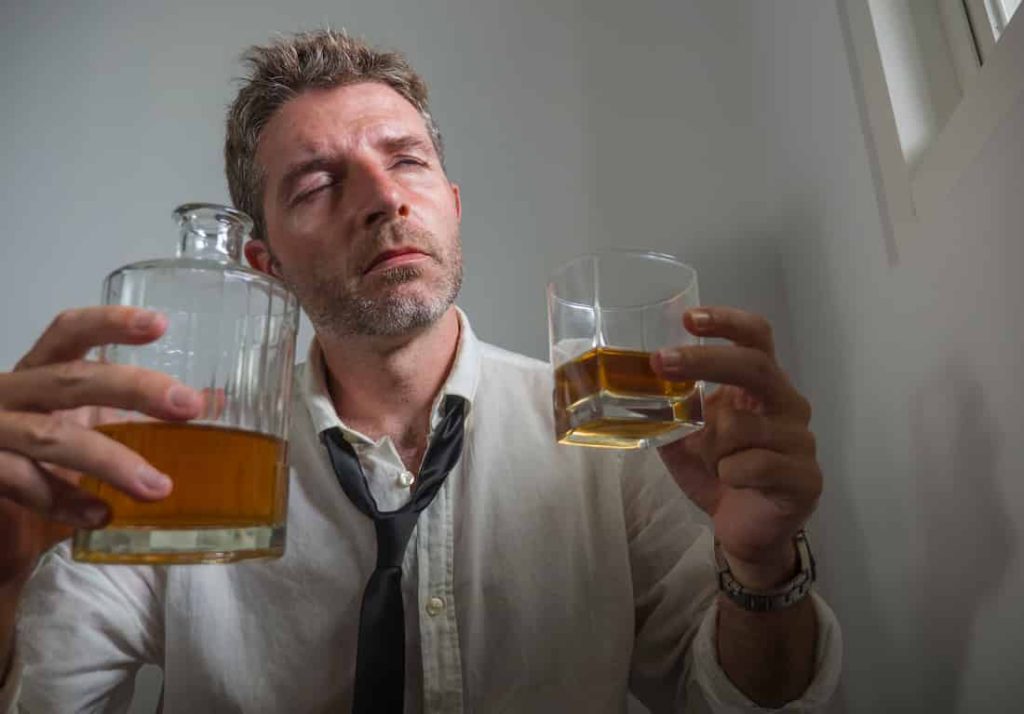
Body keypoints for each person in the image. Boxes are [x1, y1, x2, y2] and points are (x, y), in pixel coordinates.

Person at [0, 30, 840, 713]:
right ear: (265, 266)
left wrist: (762, 568)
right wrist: (2, 583)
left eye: (406, 161)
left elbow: (738, 704)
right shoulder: (171, 469)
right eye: (317, 184)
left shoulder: (608, 439)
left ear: (451, 202)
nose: (383, 198)